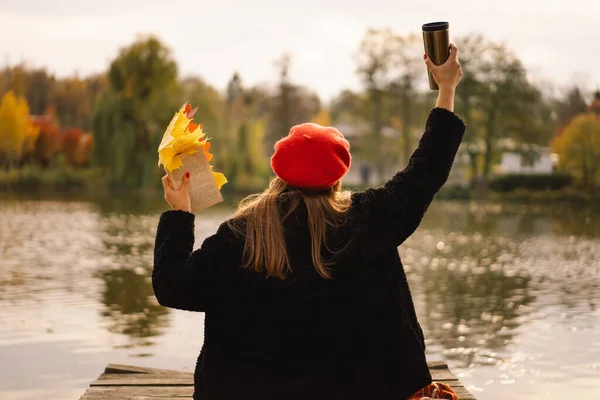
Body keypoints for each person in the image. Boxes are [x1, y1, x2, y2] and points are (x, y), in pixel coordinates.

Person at [153, 44, 465, 400]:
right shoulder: (370, 219)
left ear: (279, 171)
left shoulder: (240, 236)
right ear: (338, 175)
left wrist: (181, 213)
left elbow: (172, 286)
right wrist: (446, 89)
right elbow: (427, 168)